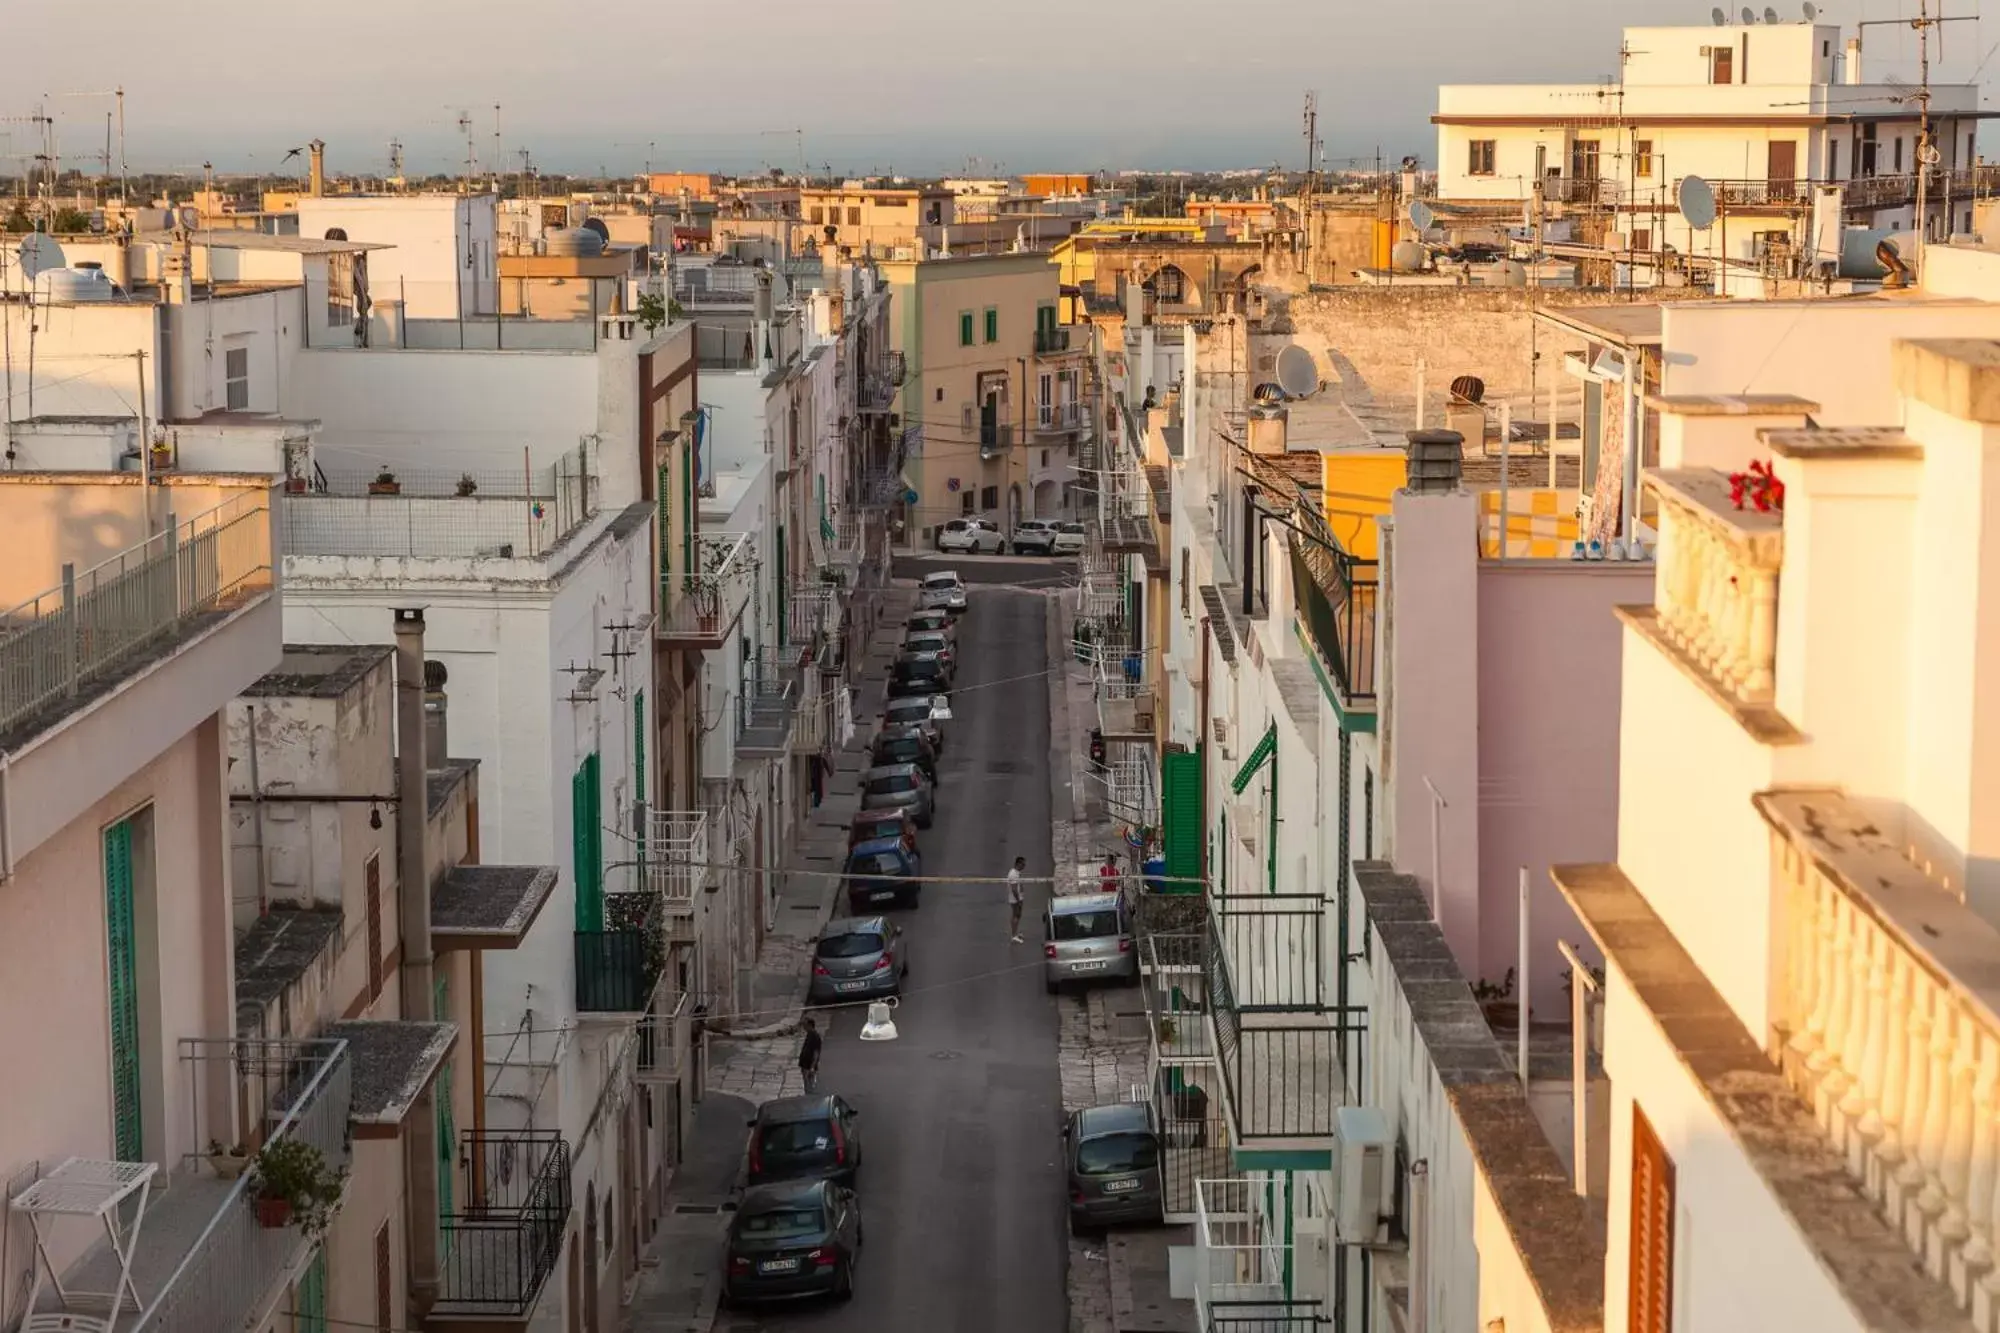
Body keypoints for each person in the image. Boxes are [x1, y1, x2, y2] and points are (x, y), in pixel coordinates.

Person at [798, 1016, 823, 1093]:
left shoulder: (815, 1036)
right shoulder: (809, 1034)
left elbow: (816, 1053)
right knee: (806, 1084)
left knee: (810, 1085)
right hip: (805, 1065)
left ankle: (810, 1098)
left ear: (810, 1025)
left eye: (805, 1025)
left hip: (809, 1066)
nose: (804, 1027)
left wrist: (812, 1067)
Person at [1007, 856, 1027, 943]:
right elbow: (1014, 889)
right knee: (1016, 915)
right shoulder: (1013, 874)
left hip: (1018, 897)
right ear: (1018, 864)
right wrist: (1018, 900)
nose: (1024, 866)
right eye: (1023, 864)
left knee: (1018, 915)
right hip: (1015, 899)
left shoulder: (1017, 873)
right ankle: (1013, 935)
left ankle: (1015, 933)